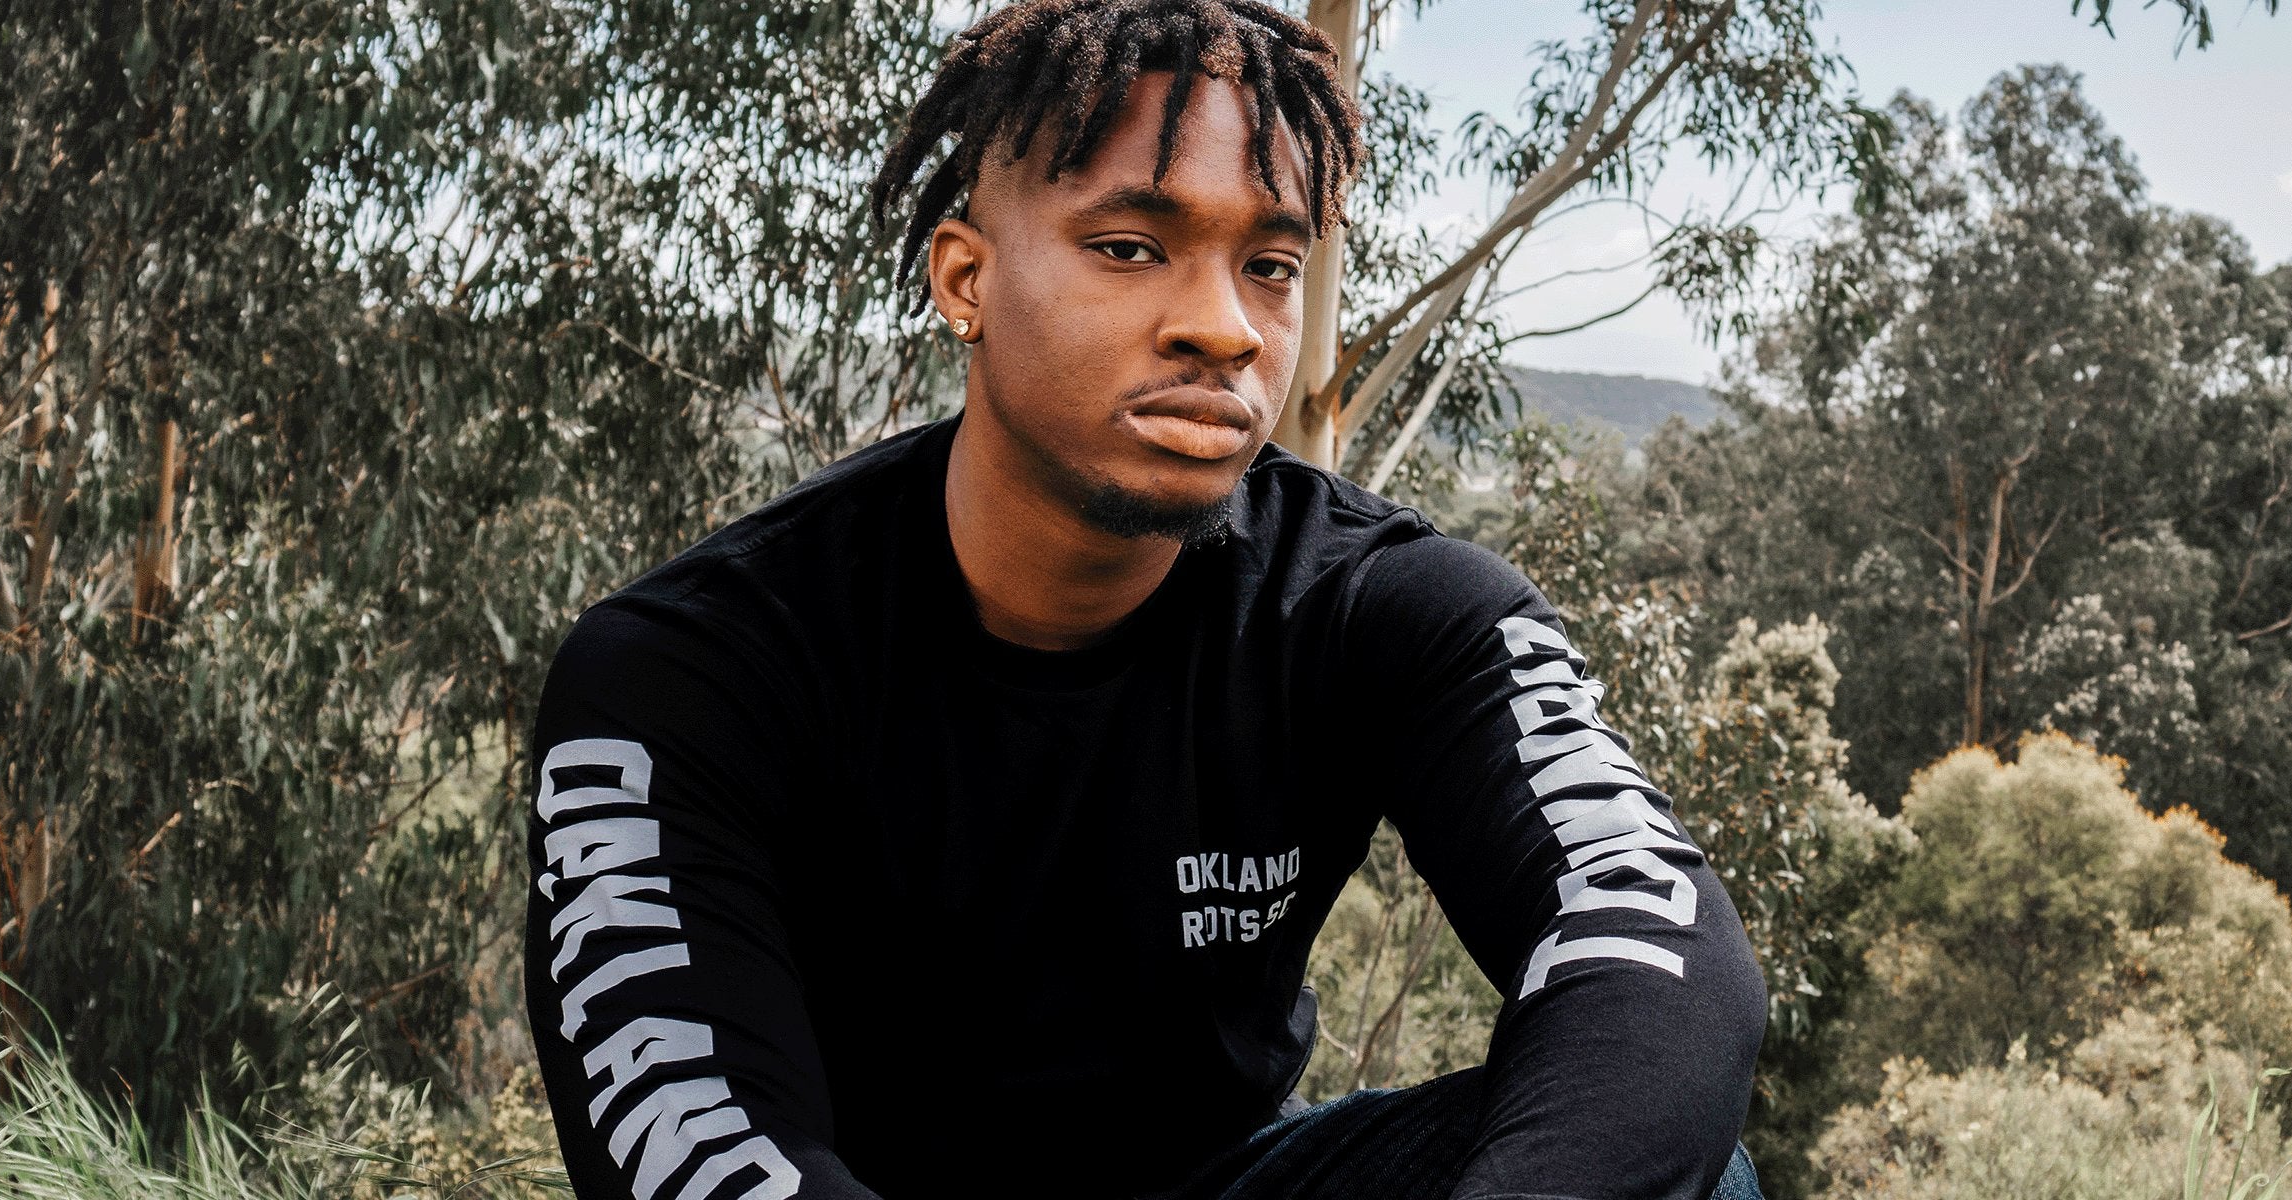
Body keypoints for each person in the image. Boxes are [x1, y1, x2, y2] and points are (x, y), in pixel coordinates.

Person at [520, 2, 1769, 1197]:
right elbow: (694, 1142)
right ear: (964, 279)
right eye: (1130, 248)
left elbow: (1656, 966)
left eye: (1271, 265)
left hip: (1225, 1184)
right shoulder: (686, 672)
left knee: (1691, 1171)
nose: (1224, 329)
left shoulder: (1386, 609)